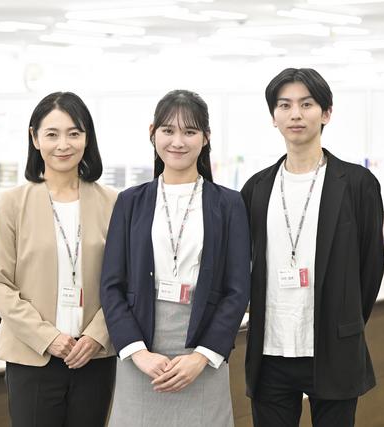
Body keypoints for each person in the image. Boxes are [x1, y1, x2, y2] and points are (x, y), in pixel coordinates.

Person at [241, 68, 384, 426]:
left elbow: (370, 268)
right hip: (270, 351)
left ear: (326, 113)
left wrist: (345, 322)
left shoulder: (357, 184)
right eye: (285, 105)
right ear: (273, 117)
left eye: (306, 104)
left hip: (332, 347)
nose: (295, 114)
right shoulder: (256, 188)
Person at [100, 89, 251, 427]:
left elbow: (238, 289)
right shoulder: (130, 201)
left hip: (202, 351)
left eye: (190, 131)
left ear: (206, 137)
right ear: (152, 132)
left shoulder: (229, 204)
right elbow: (111, 286)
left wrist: (202, 356)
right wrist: (137, 352)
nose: (178, 142)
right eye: (168, 130)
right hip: (140, 351)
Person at [0, 91, 117, 427]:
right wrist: (48, 337)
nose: (63, 144)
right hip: (32, 356)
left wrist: (96, 336)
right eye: (52, 134)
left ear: (87, 138)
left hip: (94, 357)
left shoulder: (113, 203)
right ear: (35, 138)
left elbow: (123, 282)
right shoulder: (12, 202)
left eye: (74, 133)